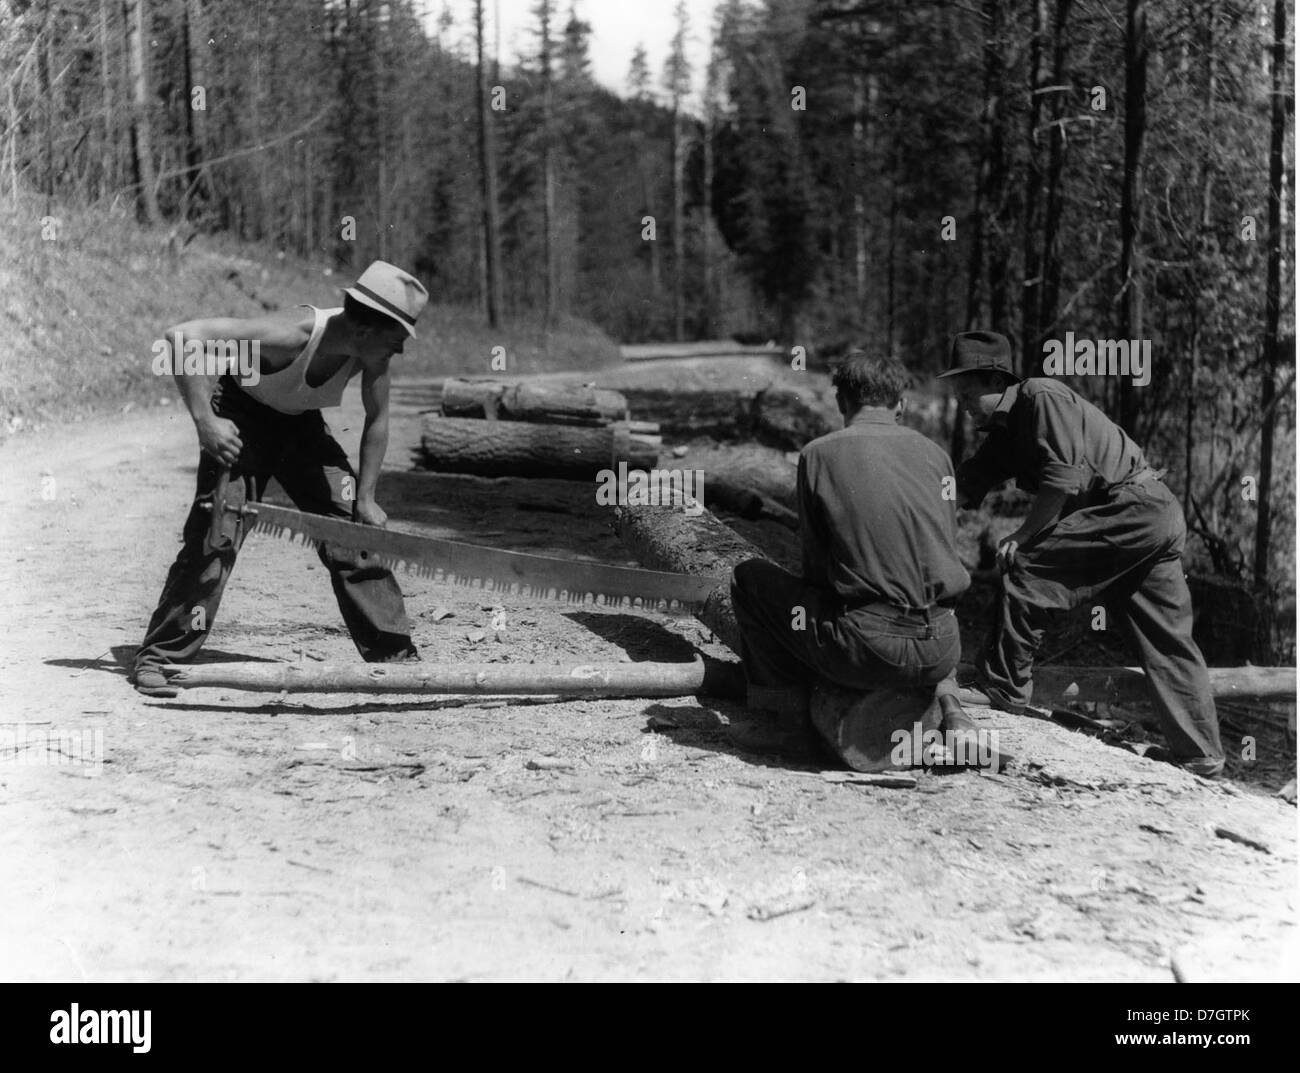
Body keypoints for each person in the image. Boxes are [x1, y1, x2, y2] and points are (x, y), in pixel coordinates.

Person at [131, 261, 428, 697]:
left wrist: (364, 497)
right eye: (396, 340)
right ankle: (161, 659)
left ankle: (394, 659)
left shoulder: (372, 354)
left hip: (301, 427)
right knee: (215, 538)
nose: (399, 351)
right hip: (242, 416)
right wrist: (205, 421)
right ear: (367, 329)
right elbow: (182, 337)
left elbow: (378, 419)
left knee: (354, 533)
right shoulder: (291, 334)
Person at [938, 330, 1224, 776]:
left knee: (1026, 566)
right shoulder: (1007, 428)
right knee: (1165, 638)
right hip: (1150, 518)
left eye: (970, 393)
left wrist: (1024, 535)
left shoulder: (1040, 396)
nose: (964, 404)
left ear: (997, 379)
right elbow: (965, 483)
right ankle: (1201, 753)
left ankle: (1003, 689)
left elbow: (1062, 480)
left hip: (1132, 509)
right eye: (959, 396)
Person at [730, 351, 972, 749]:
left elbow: (815, 571)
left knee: (749, 578)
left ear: (842, 401)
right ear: (902, 404)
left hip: (867, 651)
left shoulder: (818, 454)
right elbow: (942, 549)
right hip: (943, 647)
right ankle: (951, 708)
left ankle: (782, 720)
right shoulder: (937, 455)